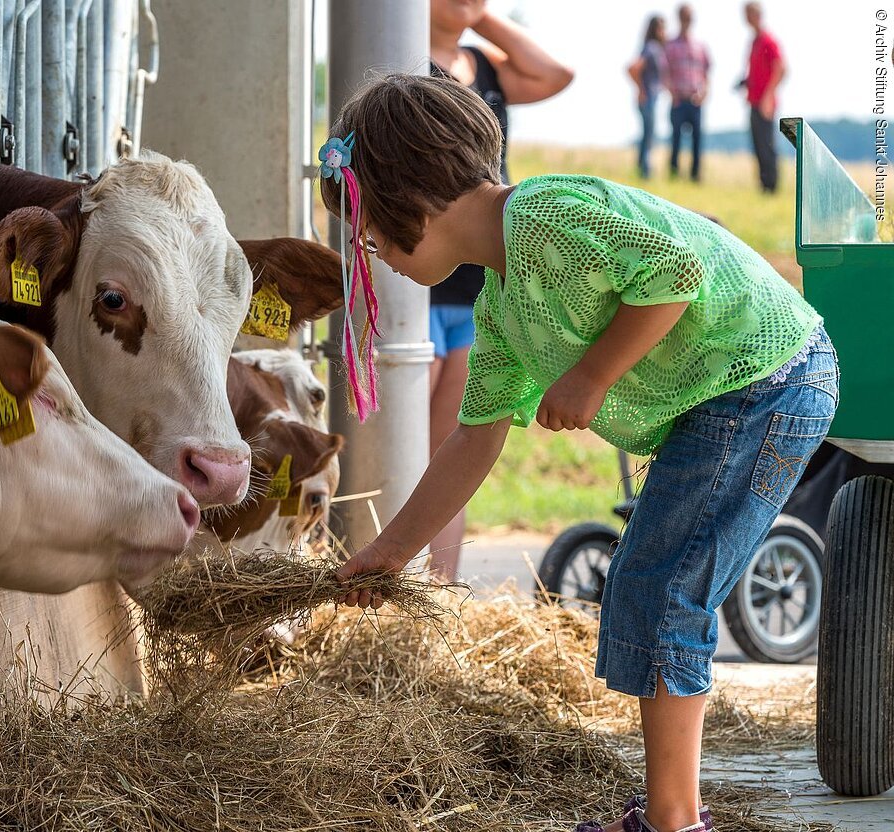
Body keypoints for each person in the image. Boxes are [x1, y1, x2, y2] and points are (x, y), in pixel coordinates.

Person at [321, 73, 836, 832]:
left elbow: (674, 274)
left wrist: (593, 374)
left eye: (371, 234)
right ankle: (669, 811)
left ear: (412, 203)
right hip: (728, 397)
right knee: (643, 586)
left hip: (765, 379)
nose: (373, 252)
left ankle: (675, 821)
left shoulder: (543, 216)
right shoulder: (499, 305)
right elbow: (475, 437)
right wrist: (393, 550)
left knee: (663, 591)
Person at [427, 0, 573, 581]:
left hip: (478, 282)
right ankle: (381, 583)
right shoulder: (402, 60)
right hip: (417, 279)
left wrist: (476, 17)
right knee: (396, 445)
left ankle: (436, 593)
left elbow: (555, 74)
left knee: (448, 449)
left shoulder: (484, 68)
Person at [741, 2, 786, 193]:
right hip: (753, 100)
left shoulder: (768, 40)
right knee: (757, 144)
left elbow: (781, 68)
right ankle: (763, 184)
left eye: (749, 14)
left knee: (767, 145)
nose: (747, 19)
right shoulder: (754, 42)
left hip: (765, 102)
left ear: (757, 15)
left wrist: (768, 96)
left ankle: (772, 186)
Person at [664, 5, 711, 182]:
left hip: (695, 101)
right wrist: (671, 92)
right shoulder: (671, 45)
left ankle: (695, 175)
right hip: (678, 100)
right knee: (675, 138)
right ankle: (674, 172)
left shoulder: (700, 46)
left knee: (697, 140)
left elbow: (707, 73)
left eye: (689, 18)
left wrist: (705, 93)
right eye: (684, 17)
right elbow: (665, 72)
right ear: (679, 19)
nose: (686, 21)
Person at [628, 16, 668, 179]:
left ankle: (642, 169)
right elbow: (632, 68)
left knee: (647, 135)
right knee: (649, 135)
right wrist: (642, 89)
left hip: (652, 97)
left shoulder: (653, 48)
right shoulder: (651, 48)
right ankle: (645, 171)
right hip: (648, 98)